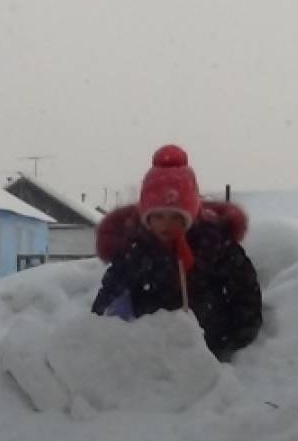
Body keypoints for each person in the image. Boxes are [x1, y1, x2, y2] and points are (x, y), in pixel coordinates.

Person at [92, 145, 263, 361]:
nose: (167, 224)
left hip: (209, 350)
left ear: (190, 215)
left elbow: (243, 287)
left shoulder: (212, 243)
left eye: (176, 217)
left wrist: (237, 335)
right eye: (159, 216)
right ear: (147, 218)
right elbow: (111, 292)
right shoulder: (135, 250)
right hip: (151, 354)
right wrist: (101, 327)